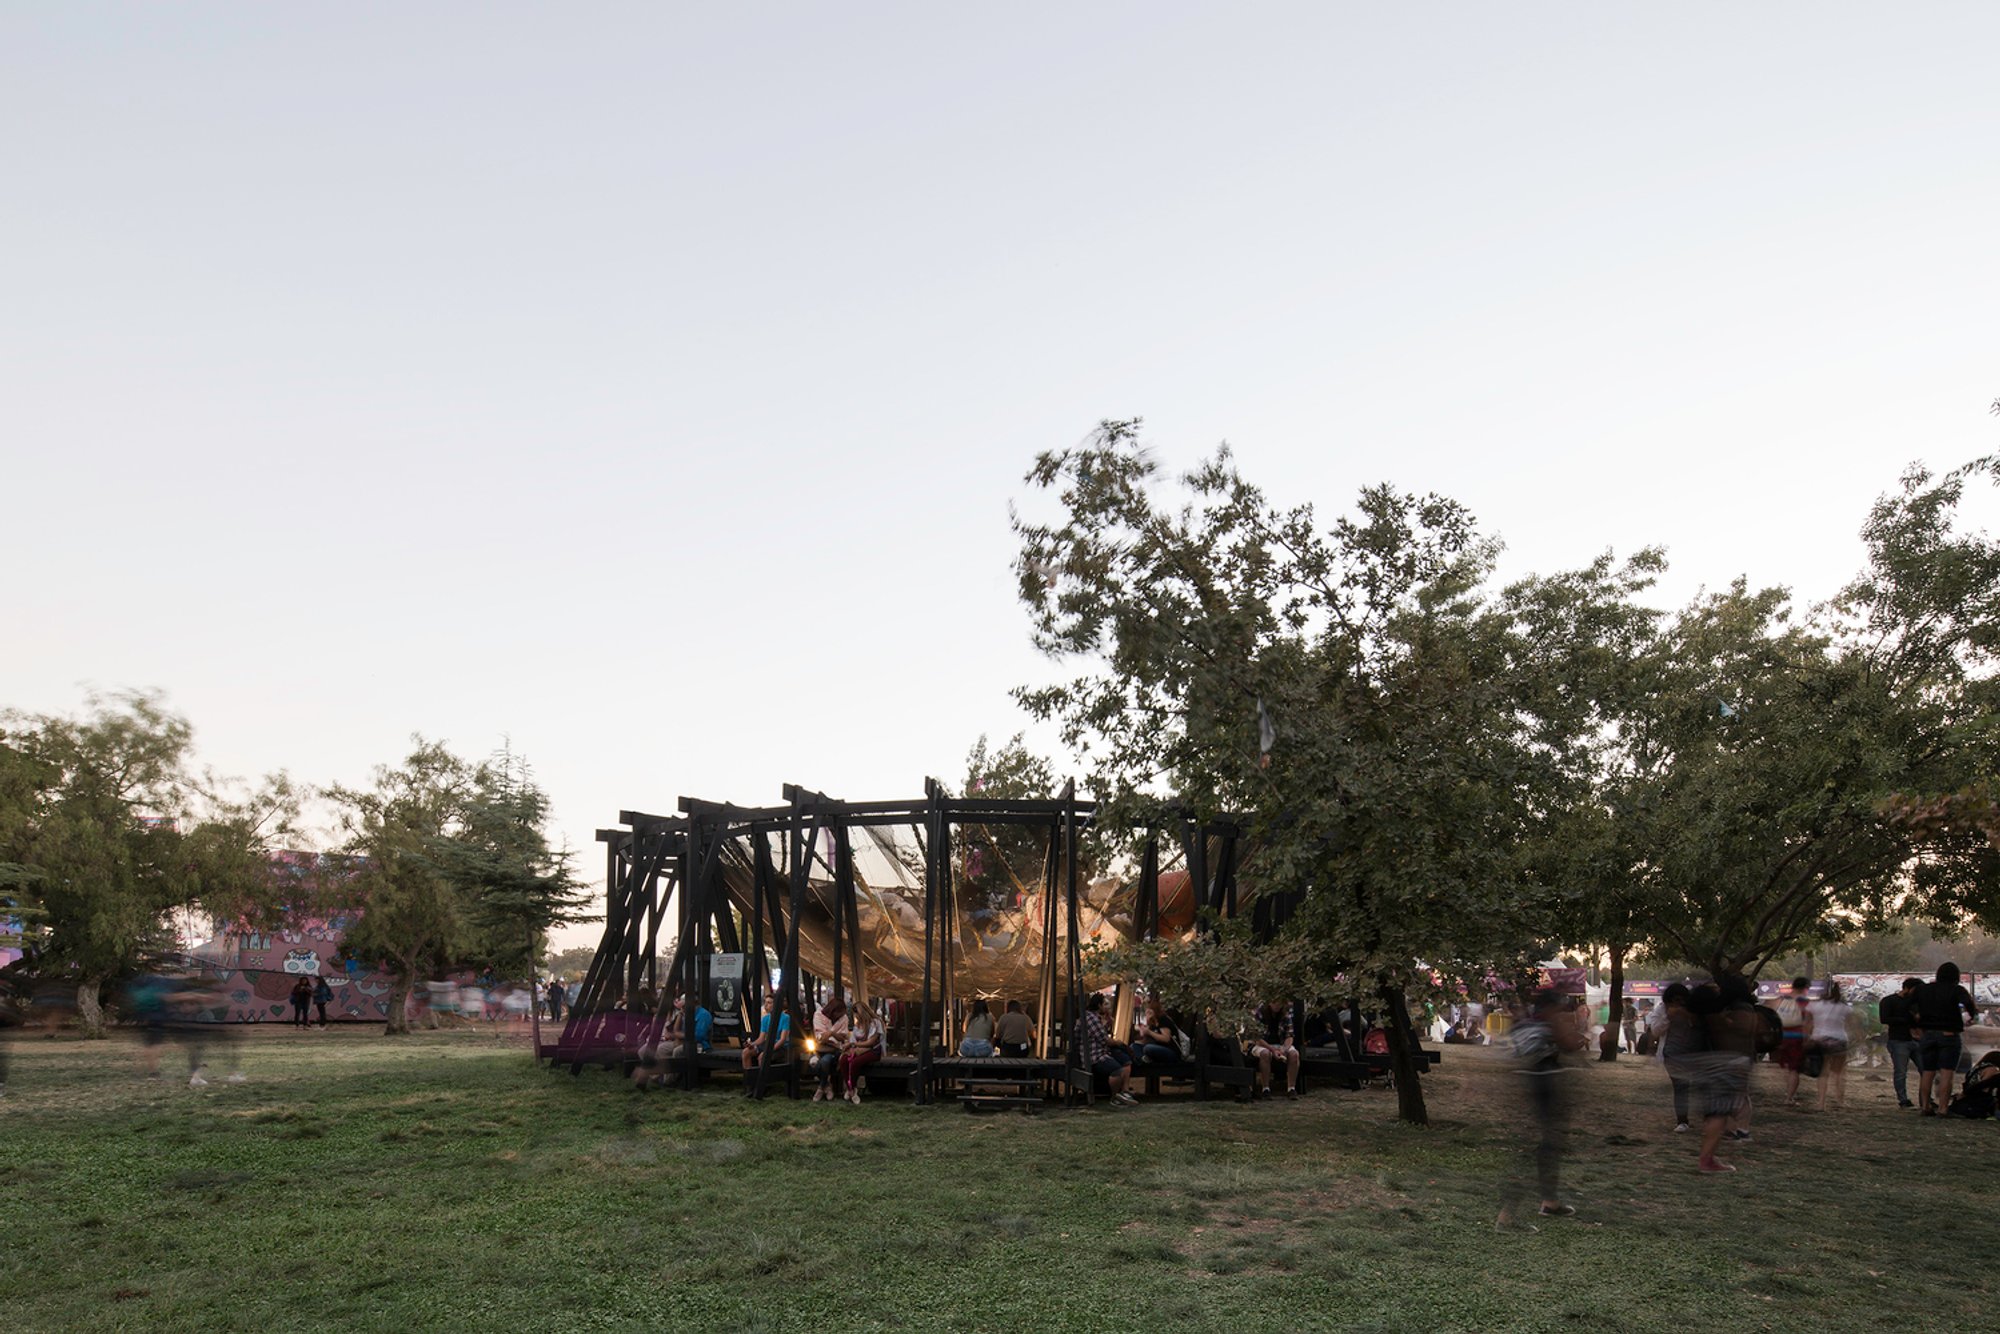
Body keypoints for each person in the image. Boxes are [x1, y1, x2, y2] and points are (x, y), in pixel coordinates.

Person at [1497, 987, 1585, 1227]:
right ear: (1549, 1007)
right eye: (1559, 1006)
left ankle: (1549, 1201)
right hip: (1546, 1087)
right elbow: (1570, 1044)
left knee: (1547, 1147)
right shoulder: (1547, 1024)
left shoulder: (1525, 1025)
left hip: (1536, 1087)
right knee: (1542, 1149)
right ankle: (1507, 1215)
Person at [1687, 977, 1758, 1173]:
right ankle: (1707, 1160)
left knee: (1716, 1113)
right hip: (1726, 1064)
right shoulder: (1725, 1014)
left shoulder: (1706, 1015)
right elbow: (1744, 1033)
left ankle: (1708, 1158)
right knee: (1719, 1114)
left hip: (1717, 1064)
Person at [1913, 961, 1979, 1117]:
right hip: (1949, 1034)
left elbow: (1910, 1005)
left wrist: (1916, 1023)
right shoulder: (1956, 990)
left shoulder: (1924, 990)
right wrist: (1971, 1016)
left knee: (1927, 1072)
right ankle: (1943, 1108)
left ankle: (1925, 1106)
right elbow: (1968, 1003)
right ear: (1956, 977)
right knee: (1946, 1073)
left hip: (1928, 1033)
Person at [1658, 983, 1702, 1132]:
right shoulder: (1662, 1010)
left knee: (1698, 1085)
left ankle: (1707, 1118)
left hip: (1692, 1052)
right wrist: (1668, 1018)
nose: (1678, 1003)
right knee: (1681, 1086)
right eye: (1674, 1000)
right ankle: (1682, 1120)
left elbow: (1699, 1026)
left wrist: (1687, 1016)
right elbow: (1655, 1030)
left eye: (1680, 1000)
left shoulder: (1692, 1010)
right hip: (1672, 1052)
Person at [1807, 980, 1854, 1111]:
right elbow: (1850, 1024)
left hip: (1819, 1040)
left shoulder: (1814, 1005)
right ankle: (1840, 1101)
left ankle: (1821, 1103)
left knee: (1823, 1073)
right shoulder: (1844, 1007)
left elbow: (1808, 1022)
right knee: (1838, 1073)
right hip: (1839, 1040)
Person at [1080, 993, 1134, 1104]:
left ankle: (1124, 1091)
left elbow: (1100, 1036)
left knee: (1125, 1058)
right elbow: (1105, 1040)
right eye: (1104, 1004)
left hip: (1100, 1050)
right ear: (1099, 1005)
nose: (1107, 1007)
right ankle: (1114, 1097)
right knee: (1117, 1069)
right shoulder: (1092, 1019)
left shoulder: (1091, 1017)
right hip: (1095, 1055)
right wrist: (1118, 1043)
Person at [1878, 977, 1921, 1108]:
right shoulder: (1889, 1001)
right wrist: (1908, 1019)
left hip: (1914, 1039)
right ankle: (1903, 1099)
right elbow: (1884, 1018)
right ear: (1907, 988)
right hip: (1899, 1039)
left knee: (1925, 1070)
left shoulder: (1915, 1002)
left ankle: (1925, 1098)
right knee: (1901, 1072)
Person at [740, 993, 791, 1097]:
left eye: (769, 1003)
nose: (766, 1005)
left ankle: (763, 1084)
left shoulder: (785, 1018)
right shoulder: (765, 1018)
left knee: (762, 1057)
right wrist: (751, 1044)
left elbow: (782, 1039)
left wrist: (768, 1051)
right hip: (767, 1044)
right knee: (746, 1052)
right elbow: (761, 1038)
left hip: (780, 1047)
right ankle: (749, 1083)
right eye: (765, 1002)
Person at [1250, 1001, 1301, 1099]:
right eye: (1274, 1003)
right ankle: (1265, 1088)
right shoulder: (1260, 1013)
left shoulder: (1286, 1014)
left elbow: (1289, 1036)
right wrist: (1272, 1049)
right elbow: (1257, 1038)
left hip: (1280, 1044)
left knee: (1294, 1054)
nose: (1277, 1005)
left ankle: (1291, 1088)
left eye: (1279, 1003)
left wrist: (1284, 1049)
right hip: (1263, 1044)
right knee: (1265, 1054)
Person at [1773, 978, 1810, 1107]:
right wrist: (1807, 1039)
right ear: (1805, 988)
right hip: (1797, 1038)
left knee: (1789, 1068)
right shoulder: (1803, 1002)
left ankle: (1788, 1092)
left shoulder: (1782, 999)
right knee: (1794, 1070)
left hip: (1782, 1037)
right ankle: (1789, 1098)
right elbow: (1807, 1022)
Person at [839, 1000, 884, 1103]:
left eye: (857, 1014)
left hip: (873, 1051)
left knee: (855, 1062)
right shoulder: (857, 1026)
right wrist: (849, 1047)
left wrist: (853, 1045)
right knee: (843, 1060)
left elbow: (871, 1042)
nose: (856, 1017)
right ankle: (851, 1089)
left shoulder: (875, 1023)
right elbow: (853, 1040)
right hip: (859, 1049)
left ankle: (851, 1088)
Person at [812, 996, 850, 1100]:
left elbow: (843, 1037)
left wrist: (830, 1033)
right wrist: (833, 1035)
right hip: (824, 1049)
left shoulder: (844, 1018)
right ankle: (827, 1086)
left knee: (824, 1061)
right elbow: (821, 1038)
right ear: (833, 1011)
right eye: (839, 1013)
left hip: (837, 1049)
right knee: (823, 1061)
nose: (841, 1016)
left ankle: (821, 1087)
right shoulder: (818, 1015)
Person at [1131, 999, 1181, 1066]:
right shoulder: (1152, 1023)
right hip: (1156, 1049)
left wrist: (1149, 1032)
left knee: (1148, 1048)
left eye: (1150, 1010)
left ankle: (1145, 1060)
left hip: (1170, 1051)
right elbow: (1144, 1040)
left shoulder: (1163, 1020)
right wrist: (1146, 1026)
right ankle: (1144, 1060)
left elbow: (1166, 1039)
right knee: (1134, 1046)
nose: (1147, 1012)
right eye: (1147, 1010)